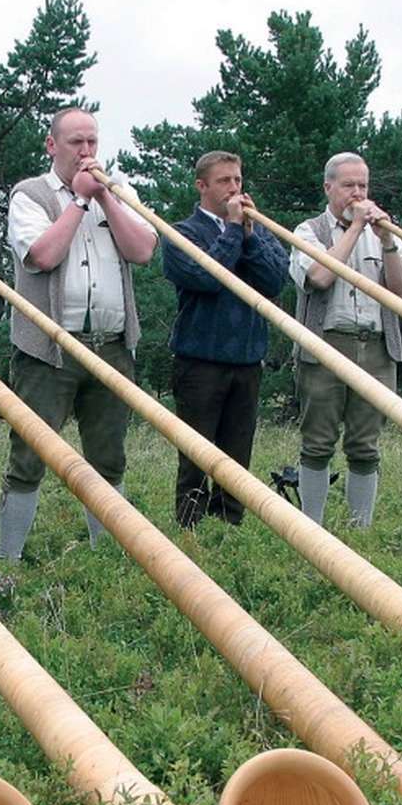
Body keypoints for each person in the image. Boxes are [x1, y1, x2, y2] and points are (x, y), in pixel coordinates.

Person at [0, 106, 158, 559]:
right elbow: (42, 256)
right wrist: (80, 202)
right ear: (52, 146)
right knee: (29, 455)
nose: (86, 152)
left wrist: (106, 198)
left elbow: (144, 249)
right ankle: (8, 559)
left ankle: (103, 558)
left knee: (108, 457)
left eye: (92, 142)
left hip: (110, 346)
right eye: (76, 143)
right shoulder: (28, 195)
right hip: (49, 350)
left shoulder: (119, 191)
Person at [161, 151, 288, 527]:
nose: (234, 188)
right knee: (196, 455)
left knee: (237, 455)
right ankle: (190, 527)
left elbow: (275, 280)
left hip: (247, 361)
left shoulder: (255, 230)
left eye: (237, 180)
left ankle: (229, 527)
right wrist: (233, 230)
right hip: (199, 363)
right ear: (202, 186)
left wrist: (248, 236)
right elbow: (206, 277)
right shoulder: (180, 233)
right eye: (224, 181)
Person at [288, 152, 402, 527]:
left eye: (363, 185)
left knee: (365, 445)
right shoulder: (308, 231)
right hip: (326, 346)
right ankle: (312, 528)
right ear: (329, 188)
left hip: (376, 347)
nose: (358, 193)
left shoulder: (384, 234)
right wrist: (355, 229)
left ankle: (362, 530)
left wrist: (387, 239)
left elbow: (401, 291)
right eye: (348, 186)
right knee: (318, 442)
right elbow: (320, 278)